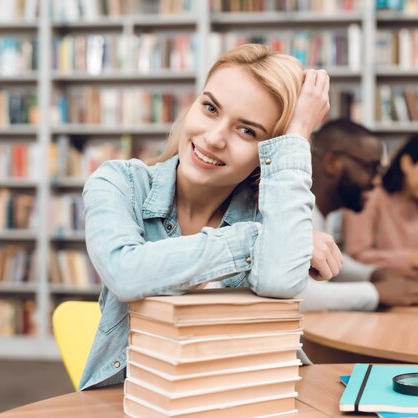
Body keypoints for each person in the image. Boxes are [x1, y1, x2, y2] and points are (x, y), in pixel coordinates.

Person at [78, 44, 342, 390]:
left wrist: (297, 135)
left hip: (244, 398)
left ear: (267, 152)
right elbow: (126, 272)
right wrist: (258, 240)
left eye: (247, 131)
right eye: (210, 108)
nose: (214, 138)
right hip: (135, 399)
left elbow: (279, 281)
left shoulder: (275, 209)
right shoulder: (119, 182)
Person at [297, 119, 418, 312]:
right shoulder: (297, 214)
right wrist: (377, 292)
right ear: (332, 162)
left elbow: (329, 260)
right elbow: (299, 294)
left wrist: (377, 273)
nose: (376, 182)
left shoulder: (320, 214)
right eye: (371, 168)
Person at [342, 133, 418, 275]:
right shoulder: (369, 196)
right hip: (375, 288)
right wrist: (413, 258)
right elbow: (355, 256)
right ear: (406, 163)